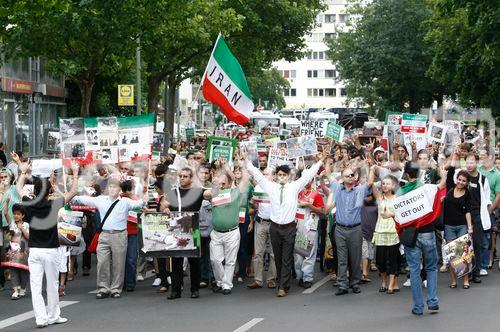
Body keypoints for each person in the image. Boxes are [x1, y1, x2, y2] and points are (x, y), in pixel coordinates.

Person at [245, 153, 325, 297]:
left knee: (287, 257)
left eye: (284, 175)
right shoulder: (270, 187)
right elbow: (257, 174)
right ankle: (281, 281)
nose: (281, 177)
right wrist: (245, 160)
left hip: (289, 228)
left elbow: (308, 175)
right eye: (279, 175)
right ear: (276, 176)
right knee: (278, 257)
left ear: (288, 176)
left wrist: (321, 161)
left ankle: (283, 286)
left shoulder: (294, 187)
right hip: (275, 228)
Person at [16, 159, 79, 328]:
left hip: (34, 249)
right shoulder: (54, 203)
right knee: (52, 284)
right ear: (49, 191)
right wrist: (75, 172)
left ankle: (40, 319)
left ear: (34, 192)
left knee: (35, 287)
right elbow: (74, 191)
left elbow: (19, 189)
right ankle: (53, 315)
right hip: (51, 250)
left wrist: (23, 171)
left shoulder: (29, 203)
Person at [71, 178, 146, 299]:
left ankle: (116, 288)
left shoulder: (125, 202)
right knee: (102, 263)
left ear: (120, 189)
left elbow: (139, 204)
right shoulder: (101, 200)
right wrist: (73, 196)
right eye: (110, 187)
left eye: (115, 187)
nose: (112, 189)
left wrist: (144, 197)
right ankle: (103, 288)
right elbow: (85, 200)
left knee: (119, 263)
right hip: (104, 235)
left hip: (119, 235)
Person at [396, 162, 445, 315]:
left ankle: (418, 306)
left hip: (411, 235)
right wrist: (443, 174)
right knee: (431, 267)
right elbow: (441, 186)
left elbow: (398, 218)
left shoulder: (400, 193)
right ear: (418, 174)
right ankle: (432, 301)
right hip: (427, 233)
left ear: (407, 174)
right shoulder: (426, 188)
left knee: (414, 270)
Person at [163, 167, 206, 300]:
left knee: (194, 261)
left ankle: (195, 289)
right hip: (177, 230)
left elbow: (211, 194)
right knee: (176, 261)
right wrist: (165, 209)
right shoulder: (173, 192)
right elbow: (164, 205)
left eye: (185, 176)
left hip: (194, 230)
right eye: (180, 176)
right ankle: (175, 290)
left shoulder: (198, 191)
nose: (182, 178)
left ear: (191, 178)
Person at [205, 166, 249, 295]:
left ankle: (226, 285)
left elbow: (242, 180)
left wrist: (226, 168)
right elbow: (205, 194)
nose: (221, 185)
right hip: (217, 233)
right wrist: (215, 185)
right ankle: (220, 281)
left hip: (232, 232)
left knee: (230, 261)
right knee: (215, 260)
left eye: (224, 183)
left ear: (229, 183)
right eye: (220, 183)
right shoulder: (213, 193)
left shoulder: (235, 192)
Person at [326, 166, 369, 296]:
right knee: (342, 258)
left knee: (355, 258)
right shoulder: (337, 189)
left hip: (355, 228)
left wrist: (368, 166)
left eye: (352, 175)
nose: (351, 177)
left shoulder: (359, 190)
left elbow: (370, 182)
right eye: (348, 175)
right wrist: (326, 159)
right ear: (342, 179)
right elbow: (328, 173)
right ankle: (342, 284)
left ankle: (355, 283)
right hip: (340, 228)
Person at [369, 174, 400, 294]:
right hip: (380, 231)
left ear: (393, 186)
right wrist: (370, 168)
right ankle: (384, 281)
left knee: (393, 259)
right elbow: (371, 184)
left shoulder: (398, 198)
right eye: (383, 183)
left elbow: (402, 214)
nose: (385, 186)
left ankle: (391, 284)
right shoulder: (379, 197)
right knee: (380, 261)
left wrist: (391, 214)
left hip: (393, 231)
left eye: (388, 183)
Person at [247, 168, 277, 290]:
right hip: (260, 222)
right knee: (258, 253)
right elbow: (252, 206)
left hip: (274, 223)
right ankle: (258, 280)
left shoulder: (276, 188)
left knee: (273, 254)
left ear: (273, 176)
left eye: (267, 174)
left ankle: (271, 279)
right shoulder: (258, 188)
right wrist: (254, 203)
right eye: (263, 174)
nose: (264, 176)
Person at [443, 169, 473, 289]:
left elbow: (467, 211)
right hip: (449, 226)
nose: (461, 182)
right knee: (452, 255)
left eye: (463, 181)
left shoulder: (467, 194)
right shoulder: (450, 189)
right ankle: (454, 280)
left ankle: (465, 279)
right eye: (459, 179)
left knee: (463, 254)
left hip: (462, 226)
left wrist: (470, 227)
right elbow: (450, 171)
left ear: (467, 183)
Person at [294, 177, 324, 289]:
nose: (307, 183)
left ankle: (307, 278)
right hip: (298, 227)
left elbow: (322, 211)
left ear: (312, 181)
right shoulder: (297, 193)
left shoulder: (316, 194)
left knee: (309, 254)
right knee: (298, 254)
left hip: (311, 227)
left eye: (309, 180)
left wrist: (309, 205)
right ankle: (300, 276)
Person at [3, 203, 29, 300]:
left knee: (24, 271)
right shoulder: (12, 224)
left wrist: (21, 228)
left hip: (24, 252)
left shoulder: (26, 225)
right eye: (14, 214)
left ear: (23, 215)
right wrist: (7, 202)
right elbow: (5, 213)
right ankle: (15, 290)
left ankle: (23, 288)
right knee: (13, 270)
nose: (16, 216)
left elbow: (28, 237)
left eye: (18, 214)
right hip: (13, 251)